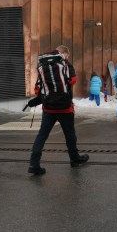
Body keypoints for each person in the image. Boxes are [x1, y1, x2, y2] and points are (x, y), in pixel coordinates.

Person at [27, 45, 89, 176]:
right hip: (65, 108)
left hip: (48, 109)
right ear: (64, 54)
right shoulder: (65, 64)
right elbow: (73, 81)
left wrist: (41, 98)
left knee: (42, 135)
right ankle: (74, 159)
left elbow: (38, 88)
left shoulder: (43, 65)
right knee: (70, 135)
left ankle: (34, 164)